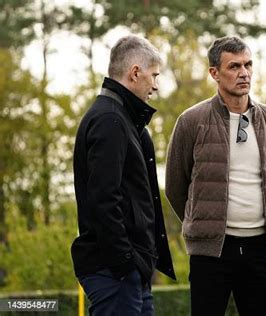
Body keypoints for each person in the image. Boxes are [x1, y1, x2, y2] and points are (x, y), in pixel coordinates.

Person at [165, 36, 266, 316]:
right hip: (211, 253)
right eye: (234, 66)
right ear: (214, 73)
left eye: (248, 65)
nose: (244, 73)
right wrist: (202, 223)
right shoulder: (191, 121)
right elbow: (175, 186)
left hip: (261, 250)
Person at [71, 35, 175, 316]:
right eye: (154, 76)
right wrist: (125, 262)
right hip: (116, 272)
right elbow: (104, 199)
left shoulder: (123, 119)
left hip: (127, 271)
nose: (155, 85)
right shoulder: (110, 120)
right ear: (135, 73)